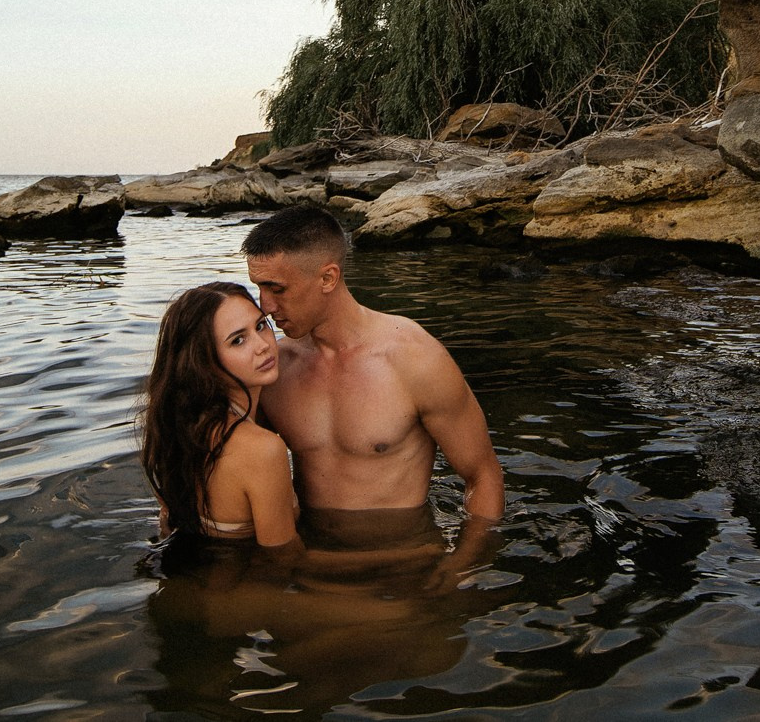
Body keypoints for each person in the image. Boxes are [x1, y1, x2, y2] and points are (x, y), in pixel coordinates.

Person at [243, 206, 503, 546]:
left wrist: (462, 569)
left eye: (277, 289)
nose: (265, 305)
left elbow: (483, 475)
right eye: (259, 288)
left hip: (402, 562)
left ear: (328, 278)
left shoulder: (414, 359)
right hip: (310, 556)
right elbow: (234, 460)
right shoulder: (277, 368)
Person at [139, 281, 301, 548]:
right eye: (238, 340)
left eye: (260, 325)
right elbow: (284, 559)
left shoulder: (183, 426)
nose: (262, 345)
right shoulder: (263, 449)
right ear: (205, 361)